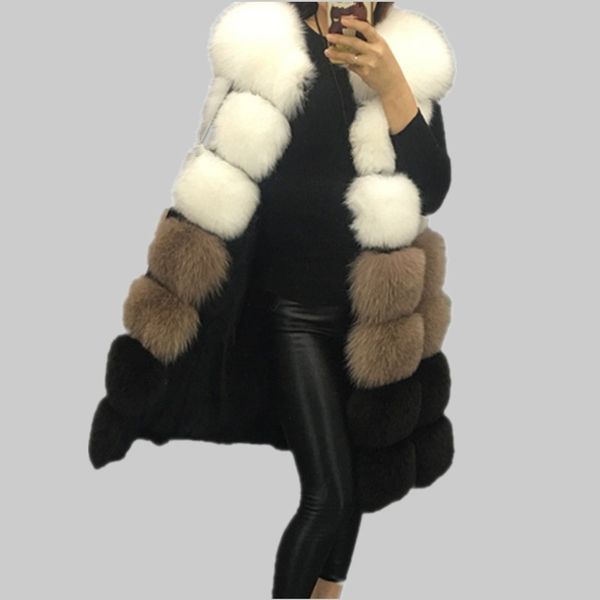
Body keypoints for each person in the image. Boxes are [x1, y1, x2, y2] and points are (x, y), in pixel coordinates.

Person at [254, 3, 452, 598]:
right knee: (328, 494)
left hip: (371, 317)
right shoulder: (271, 48)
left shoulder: (407, 57)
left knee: (356, 485)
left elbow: (432, 189)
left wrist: (391, 85)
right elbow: (231, 170)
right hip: (292, 308)